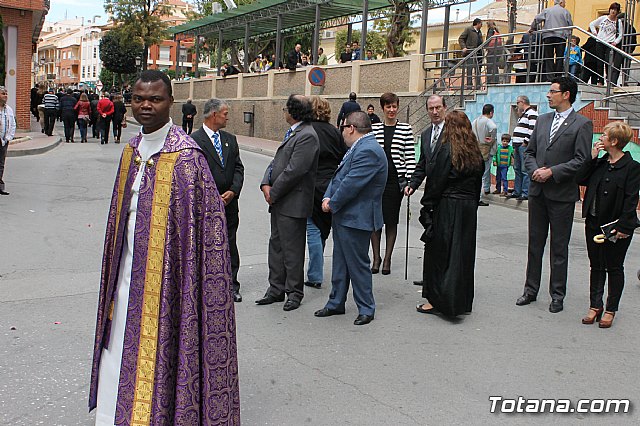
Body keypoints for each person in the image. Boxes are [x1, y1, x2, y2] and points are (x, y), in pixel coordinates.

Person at [89, 70, 240, 424]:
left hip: (169, 282)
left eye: (155, 98)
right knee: (118, 344)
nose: (145, 105)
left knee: (162, 349)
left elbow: (209, 231)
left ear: (170, 102)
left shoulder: (186, 157)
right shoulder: (131, 150)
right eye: (139, 98)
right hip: (125, 276)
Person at [516, 77, 592, 313]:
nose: (548, 95)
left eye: (552, 91)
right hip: (538, 193)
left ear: (566, 94)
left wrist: (552, 172)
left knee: (559, 247)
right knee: (534, 244)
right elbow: (529, 152)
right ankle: (530, 289)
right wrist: (535, 170)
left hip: (561, 194)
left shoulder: (582, 124)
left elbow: (581, 160)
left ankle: (557, 294)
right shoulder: (542, 120)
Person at [314, 111, 388, 326]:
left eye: (342, 127)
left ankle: (366, 307)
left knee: (357, 264)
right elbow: (339, 176)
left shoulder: (369, 150)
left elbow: (352, 184)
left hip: (357, 216)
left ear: (351, 128)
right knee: (340, 263)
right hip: (346, 216)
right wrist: (328, 195)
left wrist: (332, 203)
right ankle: (336, 302)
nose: (342, 132)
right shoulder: (359, 148)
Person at [409, 111, 484, 317]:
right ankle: (462, 302)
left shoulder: (447, 150)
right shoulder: (475, 152)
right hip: (468, 208)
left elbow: (437, 182)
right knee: (463, 255)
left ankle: (439, 301)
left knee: (441, 254)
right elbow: (477, 185)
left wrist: (427, 205)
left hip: (449, 206)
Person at [257, 95, 319, 311]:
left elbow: (295, 170)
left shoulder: (308, 135)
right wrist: (266, 182)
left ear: (293, 112)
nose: (283, 111)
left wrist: (274, 191)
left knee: (292, 250)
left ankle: (294, 292)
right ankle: (275, 289)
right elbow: (276, 162)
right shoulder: (293, 132)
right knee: (276, 246)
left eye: (285, 108)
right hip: (280, 200)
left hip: (293, 201)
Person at [575, 121, 640, 328]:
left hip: (616, 226)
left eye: (604, 135)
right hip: (594, 223)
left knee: (614, 267)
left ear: (614, 141)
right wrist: (592, 157)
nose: (600, 138)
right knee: (596, 265)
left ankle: (611, 308)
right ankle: (595, 305)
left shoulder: (632, 167)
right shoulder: (601, 162)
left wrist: (623, 227)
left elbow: (631, 200)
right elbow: (580, 178)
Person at [190, 99, 245, 303]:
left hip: (229, 205)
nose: (227, 117)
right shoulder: (194, 140)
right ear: (213, 115)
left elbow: (238, 168)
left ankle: (232, 285)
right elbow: (192, 174)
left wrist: (233, 191)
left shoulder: (230, 139)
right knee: (205, 245)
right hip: (206, 206)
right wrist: (211, 195)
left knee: (230, 243)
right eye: (224, 113)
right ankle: (204, 285)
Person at [305, 96, 347, 289]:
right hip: (331, 184)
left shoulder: (306, 130)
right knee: (324, 228)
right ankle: (319, 270)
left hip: (311, 183)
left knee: (313, 228)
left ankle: (315, 274)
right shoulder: (334, 132)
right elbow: (343, 156)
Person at [371, 92, 415, 275]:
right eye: (388, 106)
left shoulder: (406, 129)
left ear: (398, 107)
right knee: (375, 221)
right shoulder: (374, 129)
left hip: (395, 181)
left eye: (394, 106)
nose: (391, 110)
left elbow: (410, 156)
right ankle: (376, 257)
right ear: (383, 108)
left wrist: (410, 181)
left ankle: (387, 258)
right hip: (376, 182)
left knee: (391, 220)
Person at [406, 94, 447, 287]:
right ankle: (428, 275)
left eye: (438, 107)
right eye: (431, 109)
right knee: (429, 235)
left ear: (444, 108)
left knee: (443, 237)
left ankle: (442, 276)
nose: (435, 112)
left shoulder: (452, 133)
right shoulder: (425, 134)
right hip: (430, 194)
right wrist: (413, 184)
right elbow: (422, 163)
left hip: (447, 195)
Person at [530, 0, 573, 81]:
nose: (565, 4)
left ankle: (550, 77)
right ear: (560, 3)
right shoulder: (565, 12)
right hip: (561, 36)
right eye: (564, 2)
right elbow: (570, 25)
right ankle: (558, 76)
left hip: (548, 35)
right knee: (559, 57)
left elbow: (537, 19)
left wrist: (533, 28)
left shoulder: (547, 10)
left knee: (549, 57)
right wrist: (568, 35)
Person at [508, 96, 538, 201]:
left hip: (523, 145)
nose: (517, 105)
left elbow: (533, 129)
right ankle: (517, 191)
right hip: (517, 145)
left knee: (524, 169)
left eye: (518, 103)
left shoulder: (532, 113)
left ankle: (525, 193)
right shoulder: (523, 115)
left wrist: (525, 142)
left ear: (523, 102)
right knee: (517, 169)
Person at [589, 2, 624, 86]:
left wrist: (615, 42)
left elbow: (620, 35)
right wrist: (594, 33)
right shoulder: (603, 18)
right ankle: (600, 81)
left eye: (615, 10)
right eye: (612, 9)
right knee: (599, 62)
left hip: (610, 44)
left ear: (617, 12)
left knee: (608, 62)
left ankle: (609, 79)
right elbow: (592, 24)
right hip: (600, 42)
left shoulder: (618, 22)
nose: (613, 11)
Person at [471, 104, 497, 206]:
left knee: (478, 172)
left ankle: (485, 190)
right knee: (484, 173)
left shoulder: (475, 121)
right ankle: (480, 196)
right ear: (491, 112)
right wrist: (492, 138)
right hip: (486, 149)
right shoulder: (488, 121)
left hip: (477, 149)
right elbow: (493, 128)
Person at [458, 18, 484, 89]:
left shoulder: (479, 32)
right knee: (469, 69)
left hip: (479, 53)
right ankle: (469, 85)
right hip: (470, 52)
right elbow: (461, 38)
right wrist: (464, 47)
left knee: (478, 69)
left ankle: (478, 85)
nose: (482, 25)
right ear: (477, 23)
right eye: (481, 24)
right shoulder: (468, 29)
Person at [0, 86, 16, 196]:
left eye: (6, 93)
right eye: (3, 93)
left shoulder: (9, 109)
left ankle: (0, 186)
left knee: (1, 164)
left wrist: (8, 137)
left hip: (4, 141)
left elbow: (13, 124)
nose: (5, 95)